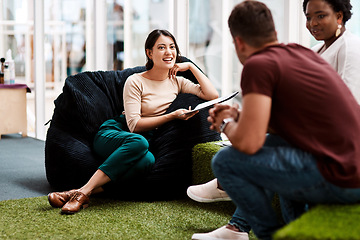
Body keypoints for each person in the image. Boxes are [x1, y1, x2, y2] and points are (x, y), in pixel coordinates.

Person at [190, 1, 360, 240]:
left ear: (238, 42)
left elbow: (250, 143)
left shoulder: (259, 64)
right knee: (283, 154)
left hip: (341, 176)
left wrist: (225, 125)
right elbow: (289, 120)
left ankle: (258, 233)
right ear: (274, 34)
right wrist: (240, 116)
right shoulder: (300, 53)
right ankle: (260, 229)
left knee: (226, 161)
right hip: (350, 166)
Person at [47, 29, 218, 215]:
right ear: (149, 53)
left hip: (141, 145)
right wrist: (172, 116)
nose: (169, 52)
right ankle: (84, 192)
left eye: (172, 47)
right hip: (114, 135)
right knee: (140, 142)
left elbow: (212, 95)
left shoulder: (178, 82)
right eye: (161, 47)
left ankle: (76, 192)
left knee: (148, 160)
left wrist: (191, 67)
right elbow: (134, 126)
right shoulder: (135, 81)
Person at [304, 0, 360, 103]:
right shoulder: (314, 50)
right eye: (308, 18)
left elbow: (350, 102)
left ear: (339, 16)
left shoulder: (351, 47)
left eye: (320, 16)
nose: (313, 23)